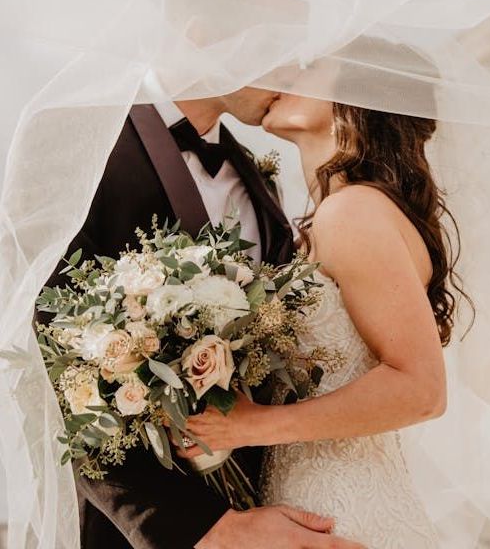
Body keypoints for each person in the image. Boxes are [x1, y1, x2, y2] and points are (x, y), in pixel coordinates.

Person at [40, 87, 364, 549]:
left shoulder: (257, 177)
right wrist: (209, 529)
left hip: (277, 511)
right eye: (279, 39)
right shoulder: (78, 140)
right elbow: (50, 364)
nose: (292, 71)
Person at [177, 93, 470, 548]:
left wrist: (251, 425)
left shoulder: (352, 212)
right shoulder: (330, 215)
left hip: (343, 508)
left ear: (353, 99)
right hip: (307, 498)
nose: (281, 77)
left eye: (307, 67)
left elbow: (421, 389)